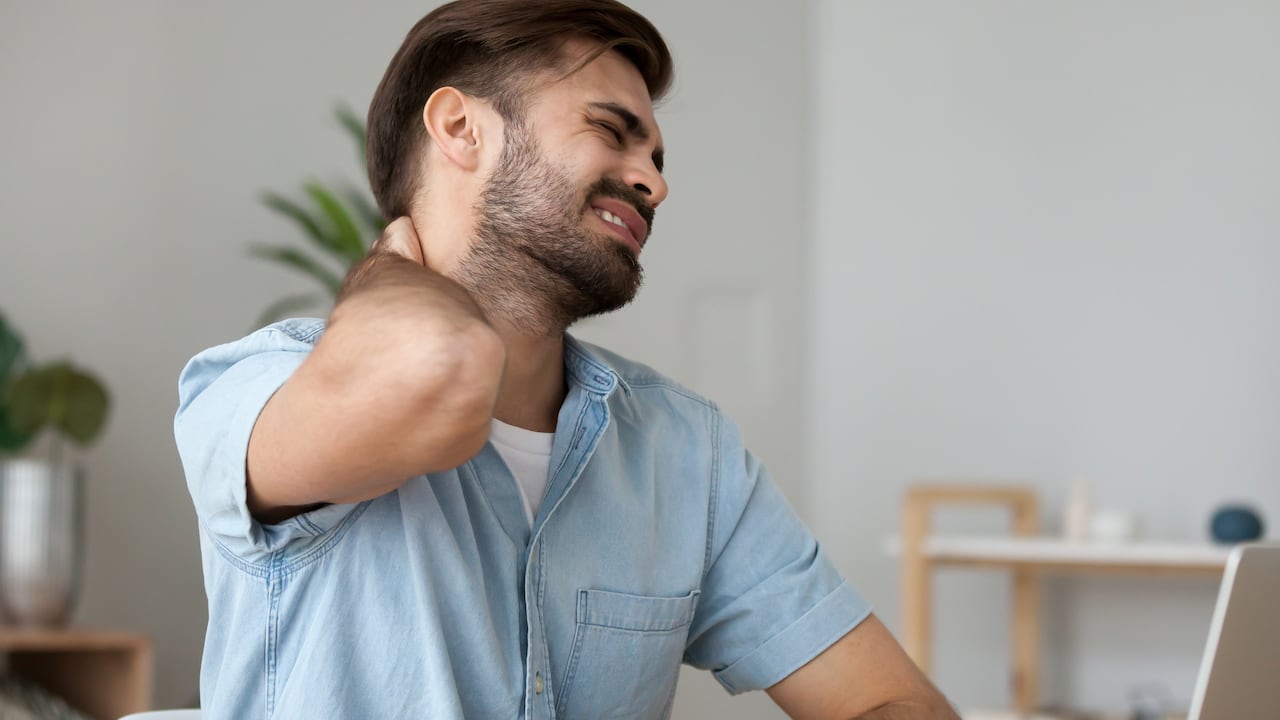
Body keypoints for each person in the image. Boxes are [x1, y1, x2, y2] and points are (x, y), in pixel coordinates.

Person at [174, 1, 959, 718]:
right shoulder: (256, 390)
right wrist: (389, 266)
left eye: (656, 155)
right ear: (460, 129)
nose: (653, 181)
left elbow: (891, 702)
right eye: (612, 131)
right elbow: (434, 371)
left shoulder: (686, 452)